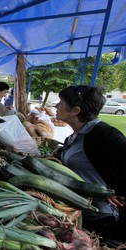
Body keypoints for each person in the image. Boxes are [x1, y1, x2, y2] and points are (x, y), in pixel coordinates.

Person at [54, 85, 126, 243]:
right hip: (78, 211)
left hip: (100, 218)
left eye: (60, 103)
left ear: (75, 111)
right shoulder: (75, 135)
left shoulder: (105, 135)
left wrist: (116, 191)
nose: (56, 106)